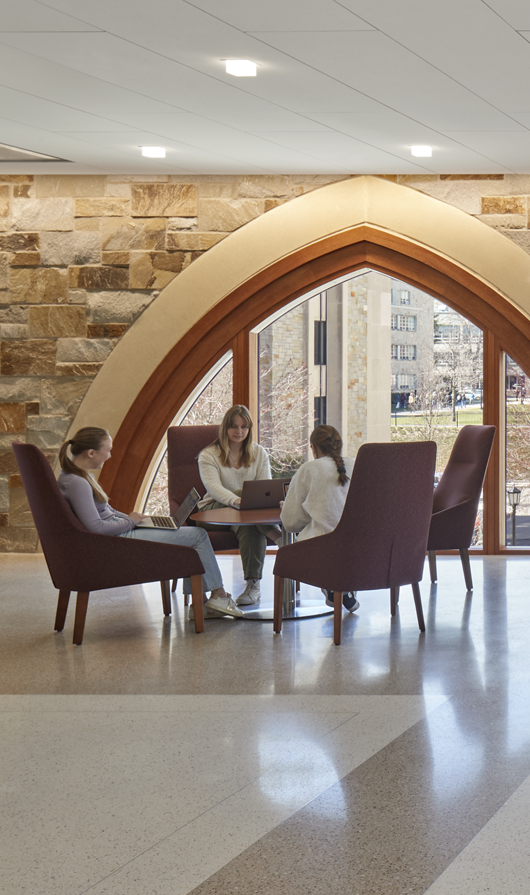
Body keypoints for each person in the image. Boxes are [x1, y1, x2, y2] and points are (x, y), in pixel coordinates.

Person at [57, 427, 242, 619]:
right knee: (198, 536)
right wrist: (130, 522)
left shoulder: (78, 477)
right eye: (108, 450)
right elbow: (97, 527)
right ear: (91, 452)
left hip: (121, 531)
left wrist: (139, 519)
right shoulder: (76, 483)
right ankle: (217, 597)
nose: (110, 456)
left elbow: (107, 512)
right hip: (119, 539)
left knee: (189, 536)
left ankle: (201, 603)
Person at [197, 405, 281, 606]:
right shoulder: (208, 455)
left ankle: (253, 585)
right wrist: (239, 501)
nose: (239, 431)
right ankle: (277, 536)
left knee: (249, 526)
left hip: (247, 516)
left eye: (244, 427)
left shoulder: (259, 453)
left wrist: (246, 505)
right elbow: (214, 488)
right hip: (213, 512)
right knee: (246, 496)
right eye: (234, 426)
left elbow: (264, 489)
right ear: (225, 428)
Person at [280, 424, 360, 613]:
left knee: (317, 534)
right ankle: (342, 588)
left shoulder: (309, 469)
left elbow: (291, 523)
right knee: (338, 537)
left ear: (313, 448)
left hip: (324, 547)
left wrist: (303, 509)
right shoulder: (358, 463)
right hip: (359, 545)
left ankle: (332, 586)